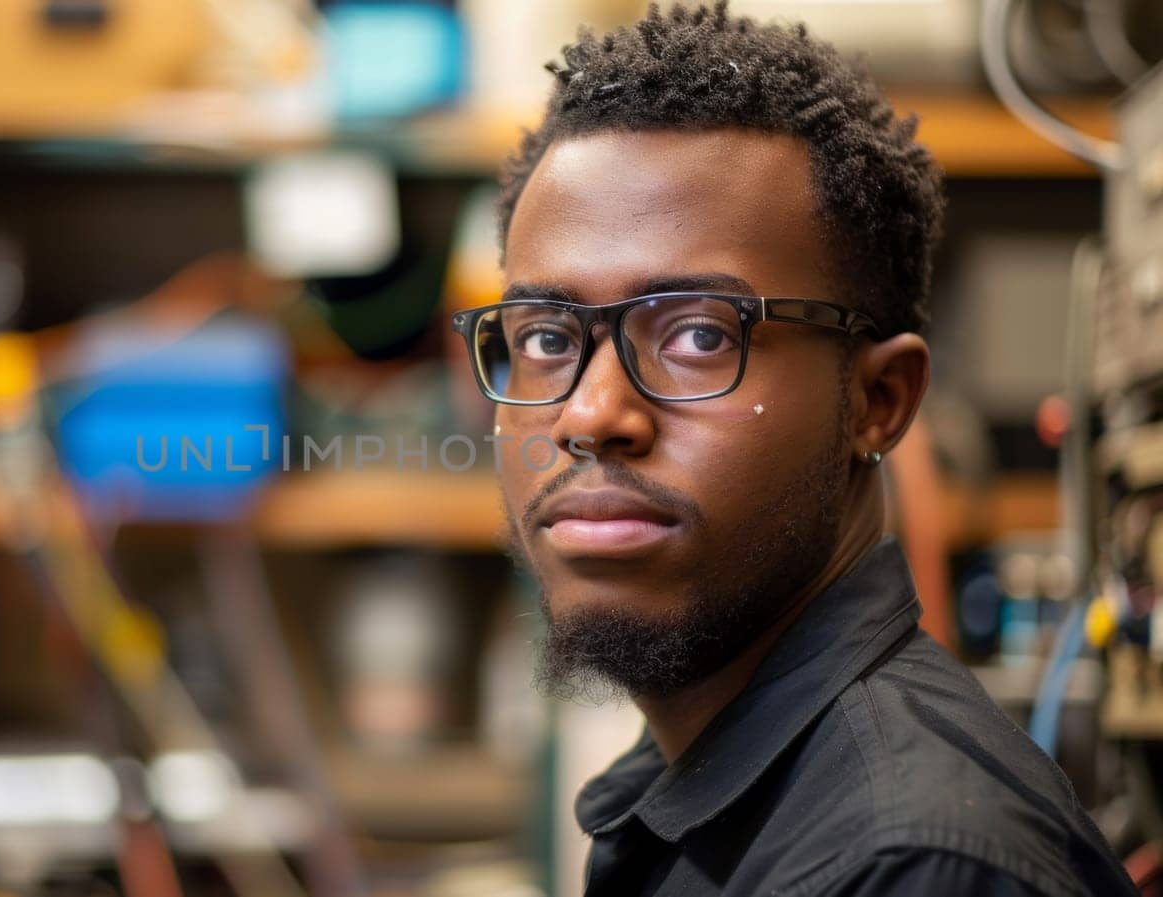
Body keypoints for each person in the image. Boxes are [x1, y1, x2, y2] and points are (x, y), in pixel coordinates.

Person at [450, 3, 1138, 894]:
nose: (591, 414)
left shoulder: (910, 866)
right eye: (545, 336)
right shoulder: (696, 788)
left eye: (699, 334)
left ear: (878, 402)